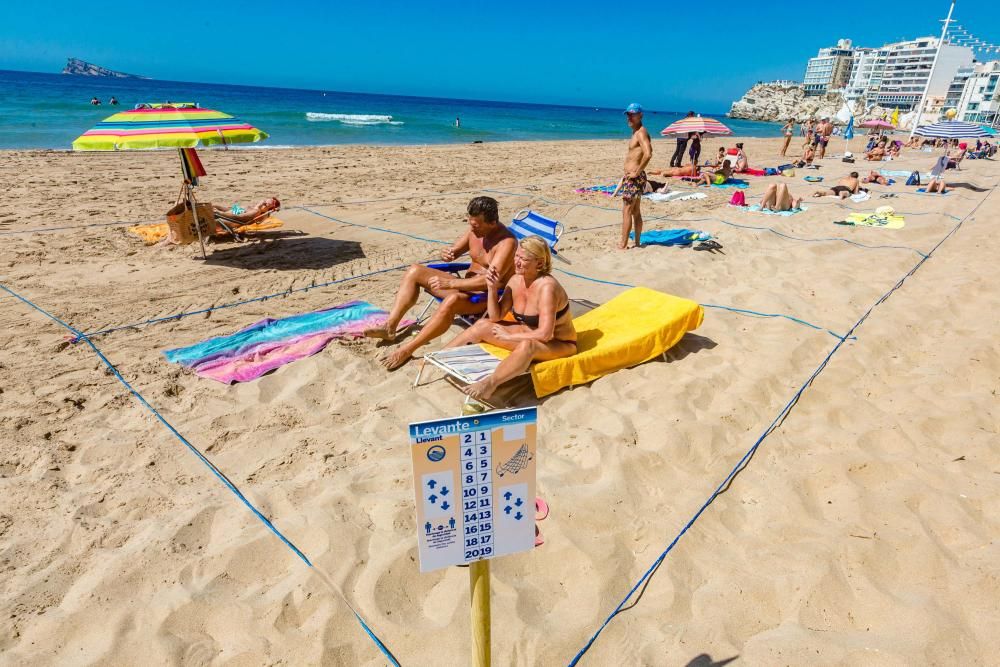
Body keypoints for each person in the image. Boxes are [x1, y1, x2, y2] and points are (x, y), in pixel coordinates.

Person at [365, 196, 517, 369]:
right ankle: (390, 327)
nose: (471, 229)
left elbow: (489, 281)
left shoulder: (507, 243)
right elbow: (454, 251)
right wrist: (448, 254)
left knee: (451, 300)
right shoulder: (475, 232)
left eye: (476, 225)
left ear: (492, 222)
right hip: (463, 286)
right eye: (470, 223)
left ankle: (407, 350)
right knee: (414, 271)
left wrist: (451, 284)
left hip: (485, 298)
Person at [440, 236, 577, 401]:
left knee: (528, 345)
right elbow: (496, 316)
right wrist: (491, 288)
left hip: (558, 344)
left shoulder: (547, 288)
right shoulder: (515, 280)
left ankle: (489, 384)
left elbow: (545, 335)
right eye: (516, 256)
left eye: (523, 259)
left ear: (539, 264)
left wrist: (510, 336)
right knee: (482, 324)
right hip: (525, 334)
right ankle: (440, 356)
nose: (517, 262)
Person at [619, 103, 653, 249]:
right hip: (633, 178)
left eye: (632, 114)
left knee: (627, 210)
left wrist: (637, 172)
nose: (630, 117)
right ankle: (637, 242)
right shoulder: (636, 132)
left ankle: (623, 244)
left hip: (634, 178)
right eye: (628, 114)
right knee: (635, 211)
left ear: (640, 115)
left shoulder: (641, 132)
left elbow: (648, 153)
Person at [213, 197, 281, 223]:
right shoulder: (252, 208)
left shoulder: (256, 211)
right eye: (264, 200)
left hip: (224, 220)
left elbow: (238, 217)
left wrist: (220, 213)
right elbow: (231, 210)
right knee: (214, 206)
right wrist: (219, 207)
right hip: (224, 216)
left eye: (264, 204)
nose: (261, 202)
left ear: (266, 210)